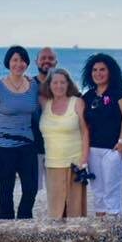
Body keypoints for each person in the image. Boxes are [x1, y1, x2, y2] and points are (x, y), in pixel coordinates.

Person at [0, 46, 41, 219]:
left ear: (27, 63)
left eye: (22, 60)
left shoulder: (33, 85)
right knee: (6, 190)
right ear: (8, 62)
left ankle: (23, 222)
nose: (18, 64)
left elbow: (36, 114)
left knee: (31, 189)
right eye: (14, 60)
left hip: (28, 146)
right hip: (3, 147)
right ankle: (6, 226)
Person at [81, 53, 122, 216]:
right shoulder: (88, 96)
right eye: (95, 70)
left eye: (102, 69)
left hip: (113, 150)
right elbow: (83, 124)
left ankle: (115, 233)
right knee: (98, 193)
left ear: (110, 71)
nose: (98, 73)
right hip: (93, 150)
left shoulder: (120, 91)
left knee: (112, 191)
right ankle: (101, 232)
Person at [39, 68, 90, 218]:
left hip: (75, 163)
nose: (59, 86)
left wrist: (84, 160)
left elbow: (85, 131)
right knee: (55, 211)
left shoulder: (77, 102)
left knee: (75, 210)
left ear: (68, 84)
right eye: (55, 82)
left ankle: (77, 240)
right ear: (49, 85)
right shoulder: (44, 103)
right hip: (52, 164)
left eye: (62, 82)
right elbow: (25, 91)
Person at [31, 47, 58, 194]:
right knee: (31, 192)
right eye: (43, 58)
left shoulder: (63, 85)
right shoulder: (28, 85)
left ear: (56, 62)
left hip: (57, 149)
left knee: (58, 192)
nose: (46, 61)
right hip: (33, 148)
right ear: (36, 61)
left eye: (50, 58)